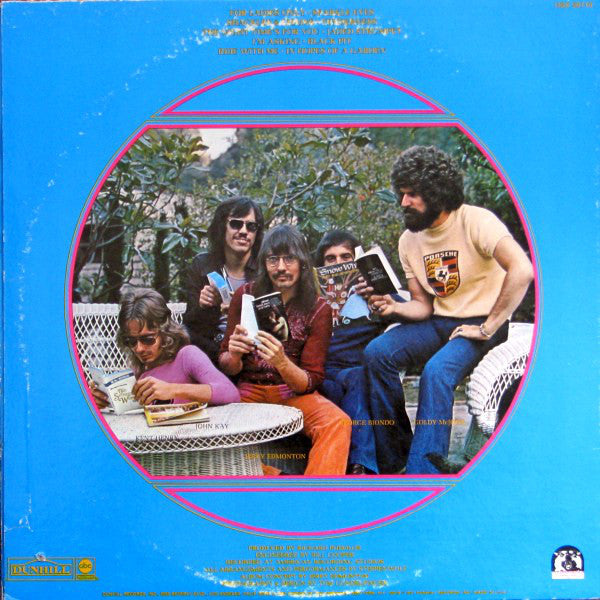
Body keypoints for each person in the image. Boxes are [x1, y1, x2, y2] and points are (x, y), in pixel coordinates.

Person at [360, 145, 534, 474]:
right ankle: (396, 458)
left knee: (437, 371)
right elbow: (423, 307)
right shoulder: (409, 241)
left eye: (412, 194)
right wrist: (393, 308)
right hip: (441, 321)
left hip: (484, 323)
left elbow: (522, 270)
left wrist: (487, 327)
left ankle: (424, 473)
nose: (403, 202)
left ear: (436, 192)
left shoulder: (476, 221)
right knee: (377, 353)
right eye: (401, 193)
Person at [219, 225, 351, 476]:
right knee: (212, 435)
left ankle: (316, 493)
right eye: (273, 259)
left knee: (337, 422)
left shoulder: (318, 308)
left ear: (302, 263)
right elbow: (226, 365)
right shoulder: (245, 295)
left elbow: (310, 380)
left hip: (291, 393)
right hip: (248, 392)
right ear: (264, 264)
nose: (281, 267)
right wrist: (234, 355)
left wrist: (282, 362)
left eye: (289, 258)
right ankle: (279, 480)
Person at [315, 230, 400, 475]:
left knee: (358, 381)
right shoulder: (313, 297)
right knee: (344, 388)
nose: (338, 263)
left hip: (356, 369)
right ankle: (358, 465)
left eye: (345, 257)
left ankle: (360, 466)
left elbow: (407, 311)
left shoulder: (373, 292)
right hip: (323, 371)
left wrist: (378, 294)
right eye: (331, 259)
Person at [91, 288, 240, 408]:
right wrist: (102, 399)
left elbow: (230, 393)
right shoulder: (139, 371)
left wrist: (173, 389)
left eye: (148, 339)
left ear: (165, 331)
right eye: (131, 341)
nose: (139, 349)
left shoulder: (187, 356)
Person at [182, 196, 264, 364]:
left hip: (252, 353)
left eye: (251, 226)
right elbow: (189, 324)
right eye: (236, 224)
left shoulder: (264, 270)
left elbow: (271, 320)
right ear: (222, 227)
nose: (243, 231)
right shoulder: (202, 265)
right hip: (209, 353)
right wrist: (202, 305)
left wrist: (237, 311)